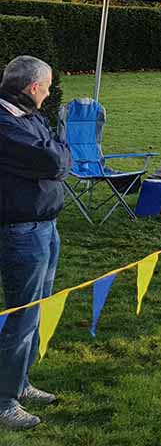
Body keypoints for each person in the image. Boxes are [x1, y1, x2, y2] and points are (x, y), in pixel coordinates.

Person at [0, 56, 72, 431]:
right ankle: (3, 400)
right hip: (20, 230)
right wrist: (57, 151)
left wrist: (57, 151)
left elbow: (57, 153)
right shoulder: (6, 123)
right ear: (32, 88)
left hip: (45, 224)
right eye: (45, 87)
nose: (47, 94)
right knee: (21, 315)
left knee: (36, 309)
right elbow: (53, 158)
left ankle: (20, 381)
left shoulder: (29, 116)